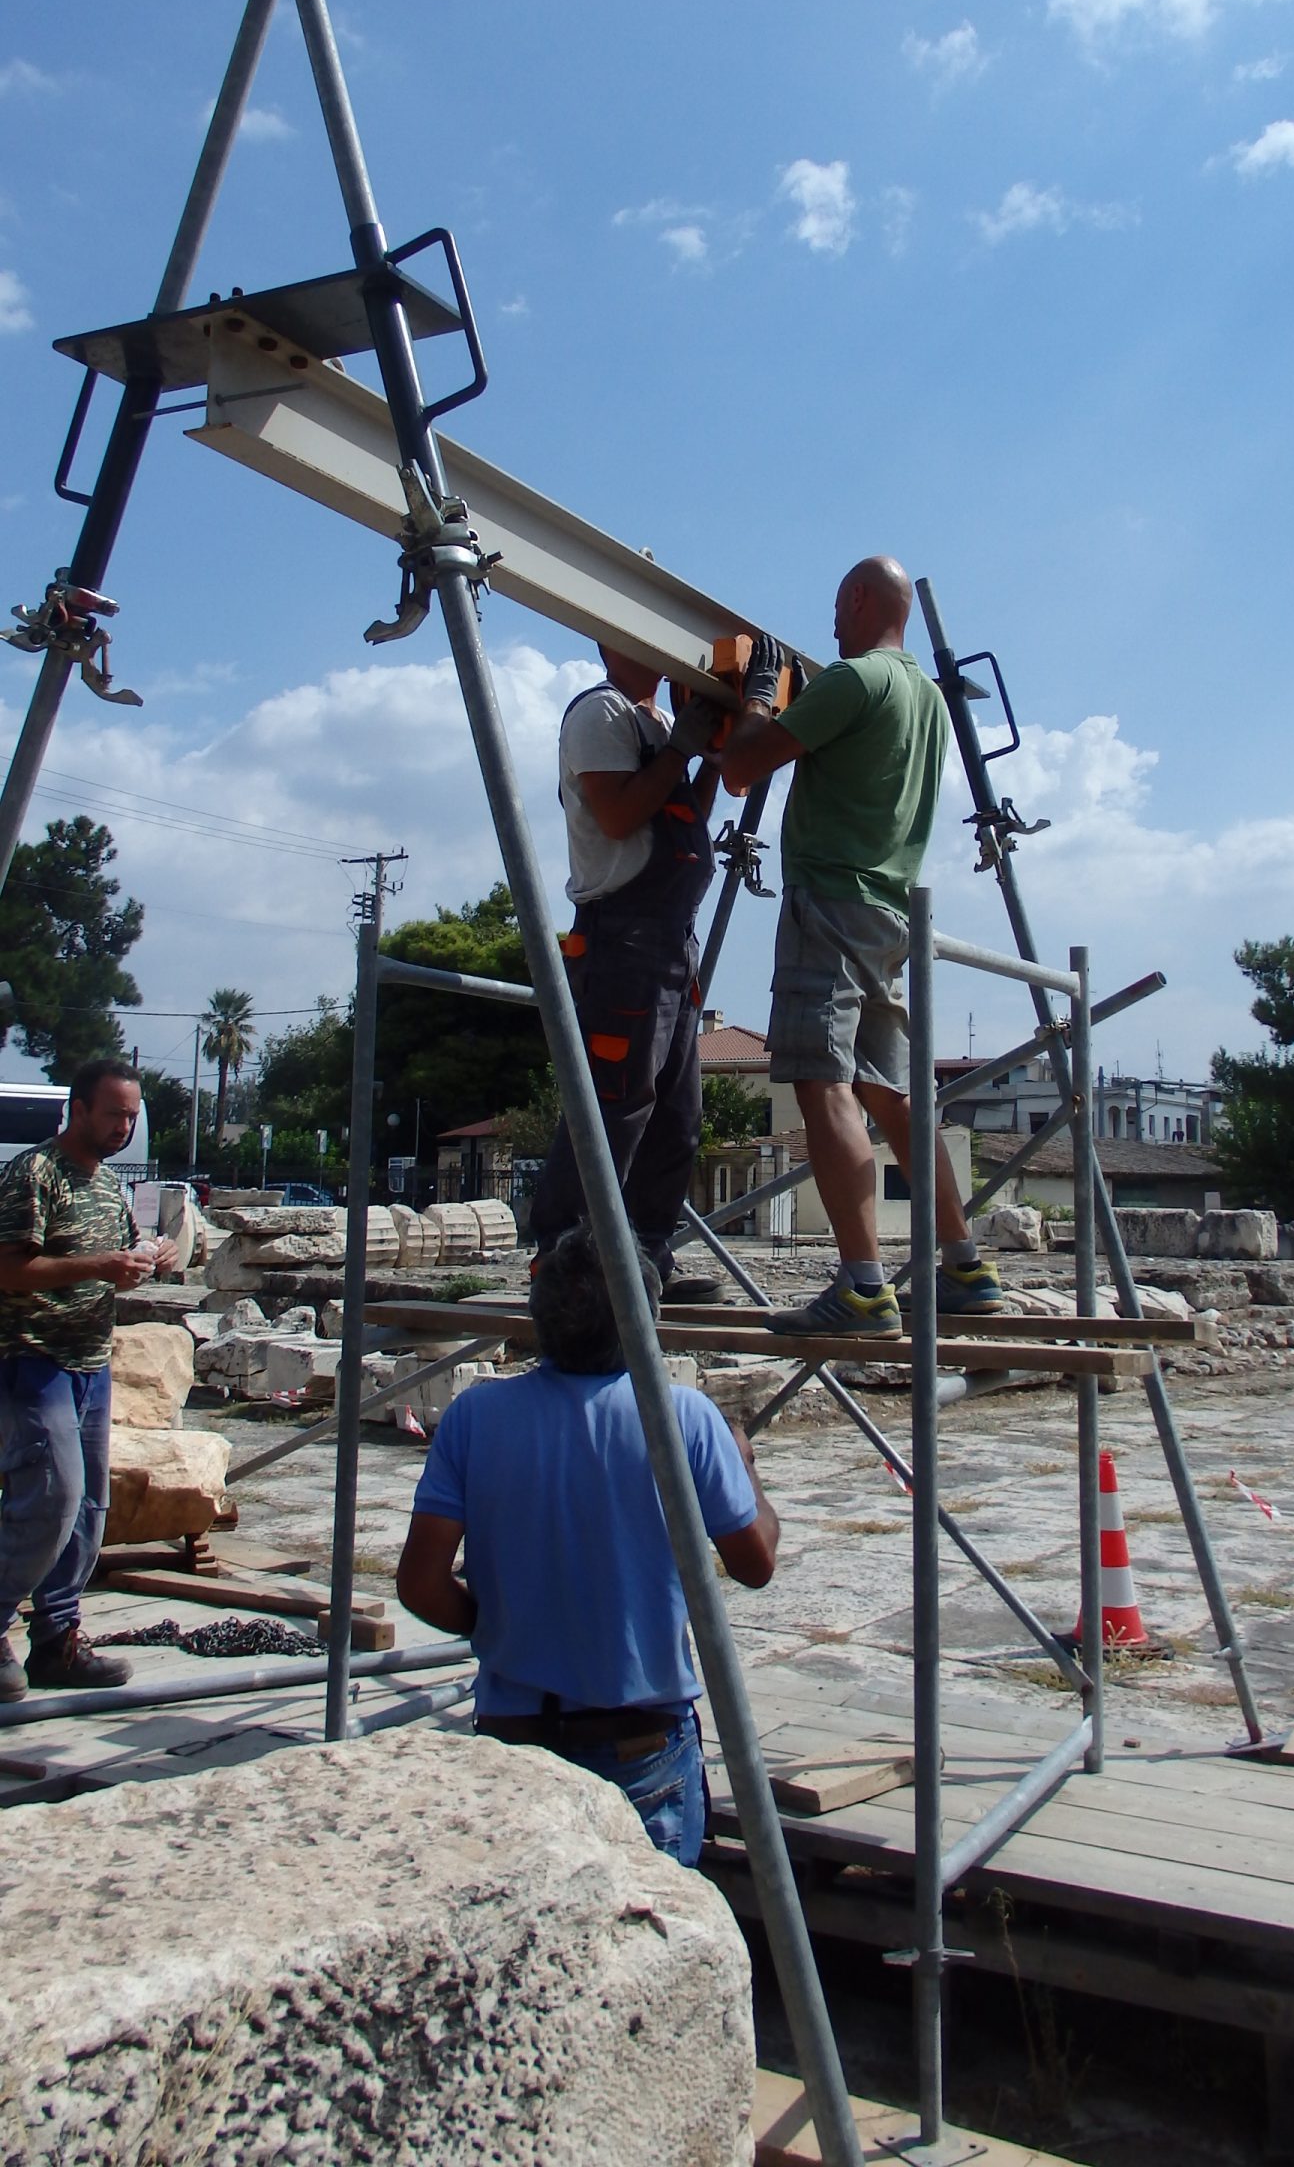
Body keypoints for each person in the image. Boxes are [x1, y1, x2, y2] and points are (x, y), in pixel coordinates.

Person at [396, 1221, 778, 1864]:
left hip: (515, 1731)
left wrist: (501, 1627)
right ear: (645, 1318)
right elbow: (755, 1562)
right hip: (639, 1740)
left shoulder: (474, 1417)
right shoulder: (682, 1416)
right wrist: (744, 1468)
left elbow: (420, 1584)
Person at [721, 555, 1003, 1337]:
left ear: (857, 598)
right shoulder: (928, 698)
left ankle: (863, 1287)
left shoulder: (855, 680)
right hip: (888, 912)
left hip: (831, 903)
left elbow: (740, 769)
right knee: (894, 1094)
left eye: (836, 606)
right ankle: (966, 1266)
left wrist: (757, 698)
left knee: (822, 1082)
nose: (831, 623)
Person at [528, 646, 722, 1293]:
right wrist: (681, 750)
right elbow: (617, 816)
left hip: (670, 941)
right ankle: (564, 1262)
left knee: (675, 1117)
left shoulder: (658, 724)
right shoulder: (601, 712)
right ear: (613, 644)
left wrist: (707, 758)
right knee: (614, 1103)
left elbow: (681, 815)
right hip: (623, 938)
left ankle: (645, 1259)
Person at [0, 1058, 178, 1695]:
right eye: (114, 1115)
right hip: (33, 1360)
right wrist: (102, 1265)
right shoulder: (35, 1173)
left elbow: (118, 1261)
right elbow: (9, 1268)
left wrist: (152, 1258)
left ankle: (57, 1641)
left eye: (131, 1117)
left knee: (87, 1511)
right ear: (78, 1109)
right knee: (52, 1498)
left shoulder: (109, 1187)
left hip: (91, 1363)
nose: (124, 1128)